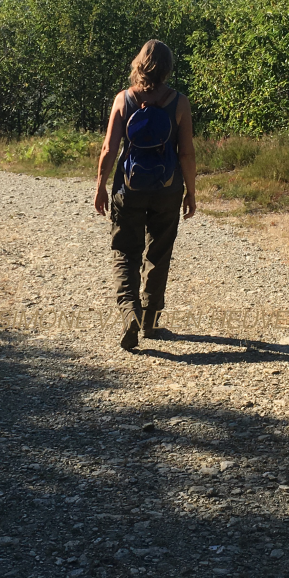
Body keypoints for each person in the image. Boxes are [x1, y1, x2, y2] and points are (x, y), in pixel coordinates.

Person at [93, 39, 196, 351]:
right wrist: (191, 192)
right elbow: (187, 154)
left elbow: (110, 148)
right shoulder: (179, 102)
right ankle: (149, 320)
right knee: (159, 252)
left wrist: (100, 184)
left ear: (138, 63)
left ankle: (129, 314)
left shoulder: (124, 99)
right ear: (167, 68)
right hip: (167, 188)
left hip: (129, 187)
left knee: (125, 250)